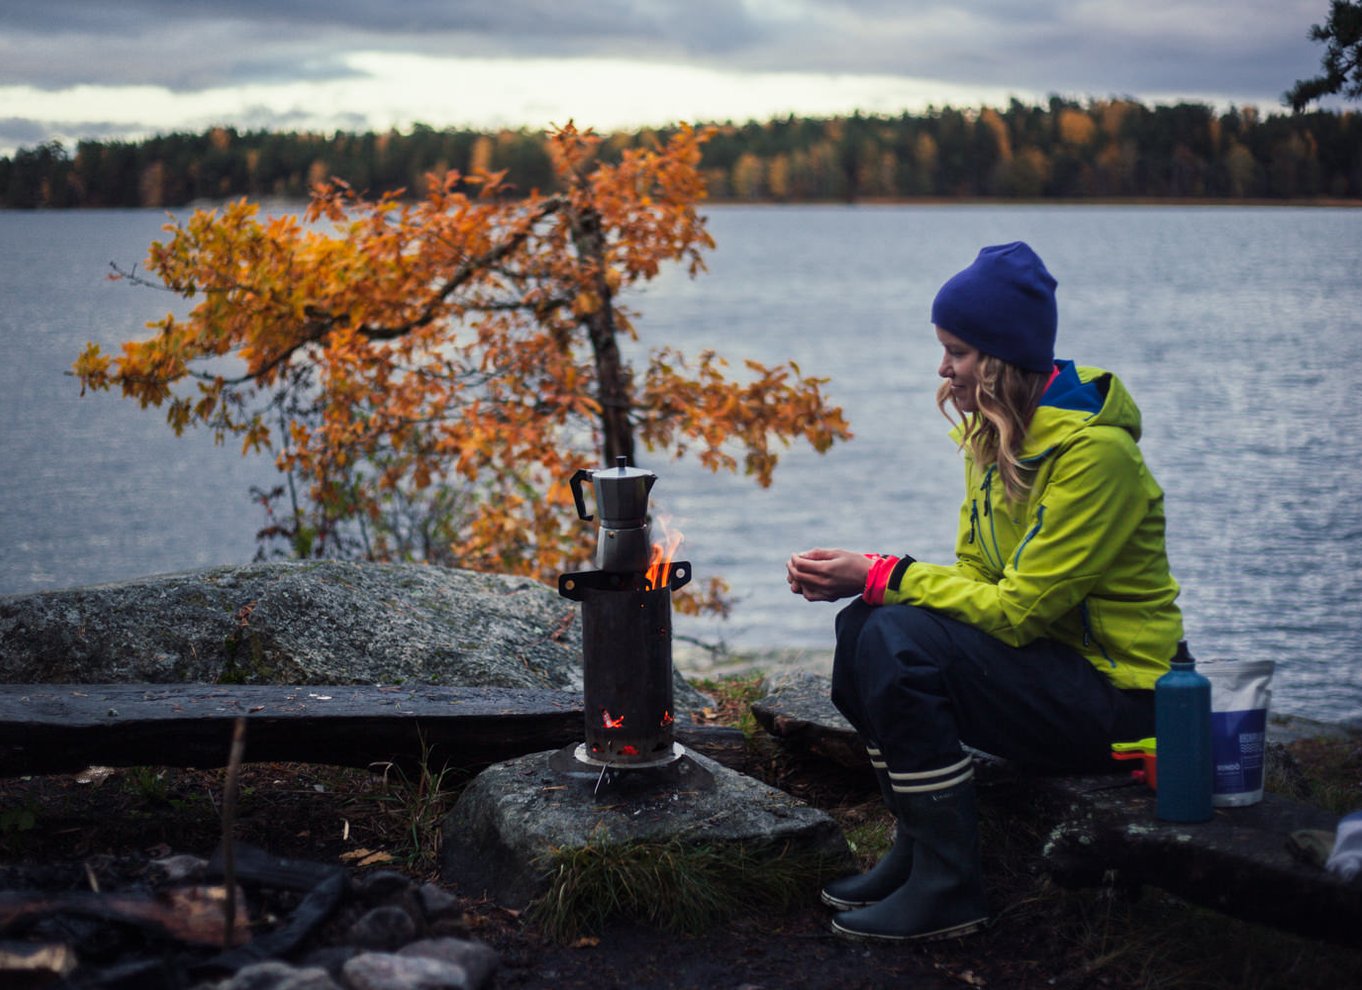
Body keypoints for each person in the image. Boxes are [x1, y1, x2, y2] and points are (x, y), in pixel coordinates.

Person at [786, 241, 1183, 943]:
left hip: (1128, 704)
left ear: (1000, 358)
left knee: (896, 632)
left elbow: (1019, 610)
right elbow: (978, 583)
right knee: (863, 628)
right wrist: (868, 584)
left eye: (959, 352)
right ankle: (918, 850)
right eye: (944, 349)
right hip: (1054, 675)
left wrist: (882, 571)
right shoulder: (998, 437)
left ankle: (949, 889)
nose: (944, 368)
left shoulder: (1096, 457)